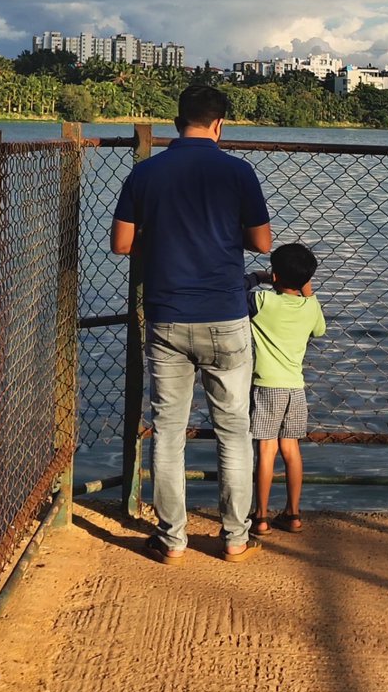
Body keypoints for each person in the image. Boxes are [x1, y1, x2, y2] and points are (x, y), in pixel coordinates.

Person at [110, 85, 272, 564]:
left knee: (168, 431)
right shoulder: (238, 172)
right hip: (225, 317)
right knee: (234, 432)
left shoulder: (146, 172)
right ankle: (236, 538)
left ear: (178, 121)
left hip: (167, 317)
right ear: (219, 124)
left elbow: (121, 244)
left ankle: (172, 538)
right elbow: (262, 244)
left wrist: (160, 245)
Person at [246, 242, 326, 535]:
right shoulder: (310, 306)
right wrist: (306, 288)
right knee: (291, 450)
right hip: (296, 389)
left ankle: (261, 516)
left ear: (275, 276)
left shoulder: (263, 302)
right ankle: (293, 514)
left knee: (266, 450)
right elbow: (319, 330)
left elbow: (234, 290)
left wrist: (259, 277)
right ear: (306, 279)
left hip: (267, 385)